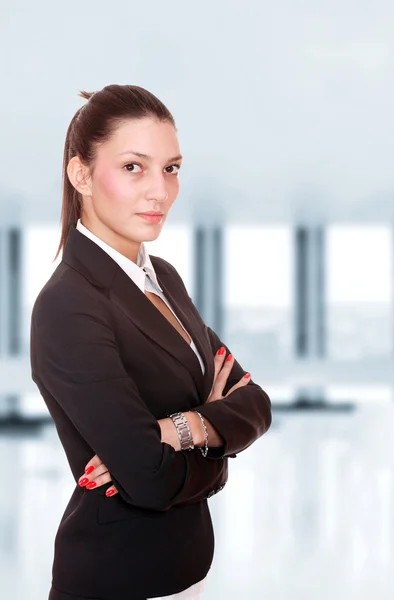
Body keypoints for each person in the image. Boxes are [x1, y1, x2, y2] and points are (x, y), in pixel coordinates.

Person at [30, 84, 272, 600]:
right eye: (134, 167)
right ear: (82, 175)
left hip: (185, 573)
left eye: (171, 168)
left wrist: (176, 430)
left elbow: (256, 403)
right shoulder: (69, 305)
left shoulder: (163, 276)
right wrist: (208, 425)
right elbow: (149, 479)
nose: (159, 191)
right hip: (115, 578)